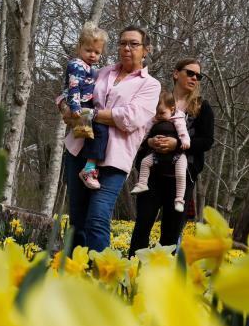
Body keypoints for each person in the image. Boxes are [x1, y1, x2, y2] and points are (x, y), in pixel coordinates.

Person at [59, 26, 161, 253]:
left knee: (97, 218)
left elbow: (130, 118)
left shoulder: (150, 85)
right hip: (80, 149)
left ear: (146, 50)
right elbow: (72, 89)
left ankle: (101, 276)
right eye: (122, 42)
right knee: (77, 219)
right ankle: (74, 273)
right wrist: (66, 108)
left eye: (134, 44)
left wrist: (90, 114)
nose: (127, 48)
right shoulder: (102, 72)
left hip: (114, 160)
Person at [128, 58, 215, 255]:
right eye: (189, 73)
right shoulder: (158, 100)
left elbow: (207, 141)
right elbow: (139, 130)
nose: (194, 78)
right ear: (176, 73)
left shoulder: (202, 107)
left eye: (198, 76)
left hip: (181, 178)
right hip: (152, 176)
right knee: (142, 227)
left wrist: (178, 145)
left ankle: (164, 280)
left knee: (170, 234)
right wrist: (149, 142)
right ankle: (131, 276)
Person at [64, 22, 109, 189]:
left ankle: (89, 167)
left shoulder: (90, 68)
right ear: (79, 47)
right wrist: (75, 107)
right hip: (79, 103)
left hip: (86, 103)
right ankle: (89, 169)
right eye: (88, 50)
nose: (92, 55)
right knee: (99, 131)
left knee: (95, 133)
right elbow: (73, 86)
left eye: (97, 52)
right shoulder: (76, 65)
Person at [129, 91, 190, 211]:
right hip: (158, 154)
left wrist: (184, 141)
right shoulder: (154, 119)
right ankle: (142, 184)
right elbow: (145, 130)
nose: (159, 116)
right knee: (145, 162)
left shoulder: (177, 118)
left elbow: (182, 130)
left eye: (162, 113)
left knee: (181, 173)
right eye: (156, 113)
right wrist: (145, 141)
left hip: (177, 155)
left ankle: (179, 200)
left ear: (172, 109)